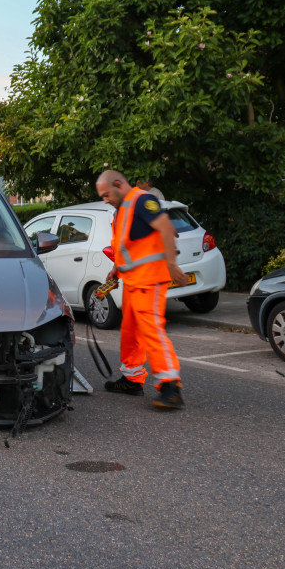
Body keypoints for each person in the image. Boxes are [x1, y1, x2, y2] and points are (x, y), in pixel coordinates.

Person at [95, 170, 185, 409]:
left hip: (151, 281)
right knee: (131, 333)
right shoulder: (122, 210)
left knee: (151, 331)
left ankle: (170, 387)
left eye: (106, 194)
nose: (105, 199)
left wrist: (172, 265)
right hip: (133, 282)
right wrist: (116, 268)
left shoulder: (142, 201)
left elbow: (166, 228)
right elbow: (130, 247)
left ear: (118, 184)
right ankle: (132, 379)